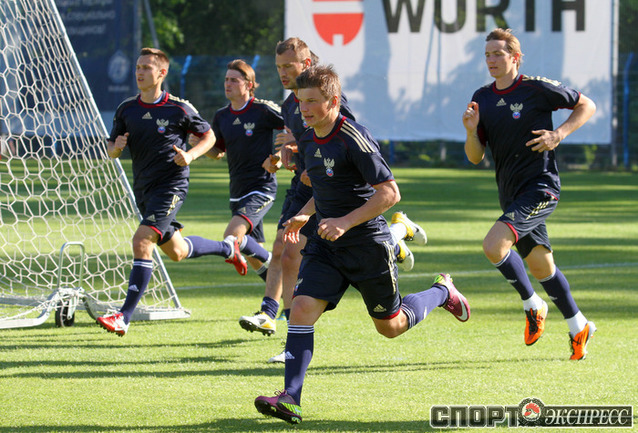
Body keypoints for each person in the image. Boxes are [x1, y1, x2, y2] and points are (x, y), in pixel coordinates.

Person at [254, 65, 469, 424]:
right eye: (301, 101)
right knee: (302, 307)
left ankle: (442, 291)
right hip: (326, 245)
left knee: (391, 326)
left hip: (367, 245)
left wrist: (345, 221)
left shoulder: (353, 137)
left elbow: (390, 193)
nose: (304, 108)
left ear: (333, 101)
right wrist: (305, 214)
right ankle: (291, 398)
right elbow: (327, 187)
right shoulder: (308, 138)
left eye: (312, 101)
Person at [238, 38, 427, 363]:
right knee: (285, 251)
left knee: (388, 326)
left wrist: (318, 166)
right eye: (279, 66)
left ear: (306, 63)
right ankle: (284, 329)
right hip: (309, 187)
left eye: (289, 66)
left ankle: (397, 238)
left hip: (335, 195)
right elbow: (306, 144)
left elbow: (344, 143)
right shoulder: (291, 103)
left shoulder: (328, 102)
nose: (283, 73)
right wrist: (284, 155)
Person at [462, 28, 597, 360]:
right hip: (510, 194)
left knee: (493, 246)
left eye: (498, 53)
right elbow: (475, 157)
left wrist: (558, 134)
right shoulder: (482, 97)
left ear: (515, 57)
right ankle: (579, 324)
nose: (491, 60)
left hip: (540, 188)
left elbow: (587, 105)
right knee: (540, 266)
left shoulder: (536, 88)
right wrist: (470, 132)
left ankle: (532, 303)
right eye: (487, 55)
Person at [96, 48, 236, 336]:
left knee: (141, 240)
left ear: (161, 73)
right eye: (138, 67)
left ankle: (123, 316)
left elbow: (209, 136)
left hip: (171, 186)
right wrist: (116, 147)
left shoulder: (179, 108)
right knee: (177, 251)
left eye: (146, 67)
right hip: (144, 189)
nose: (139, 72)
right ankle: (227, 248)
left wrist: (191, 155)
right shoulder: (126, 108)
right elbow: (111, 149)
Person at [191, 59, 285, 280]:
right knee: (253, 254)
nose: (228, 84)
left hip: (261, 187)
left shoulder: (262, 110)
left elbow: (294, 128)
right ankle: (282, 294)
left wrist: (279, 157)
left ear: (249, 84)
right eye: (226, 80)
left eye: (234, 80)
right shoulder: (221, 116)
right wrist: (200, 145)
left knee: (232, 236)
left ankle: (280, 267)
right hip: (237, 191)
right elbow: (218, 152)